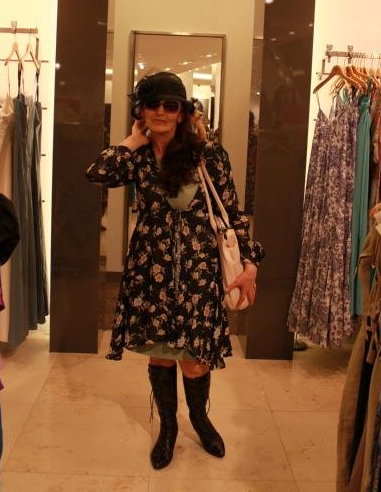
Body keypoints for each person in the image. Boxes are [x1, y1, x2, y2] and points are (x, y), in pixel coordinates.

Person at [86, 71, 264, 469]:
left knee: (196, 359)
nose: (162, 112)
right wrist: (132, 141)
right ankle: (168, 427)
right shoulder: (138, 157)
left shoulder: (208, 154)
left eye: (171, 105)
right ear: (141, 111)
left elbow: (232, 213)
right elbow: (96, 172)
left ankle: (199, 418)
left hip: (200, 273)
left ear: (183, 112)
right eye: (153, 105)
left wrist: (250, 264)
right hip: (152, 272)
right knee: (161, 356)